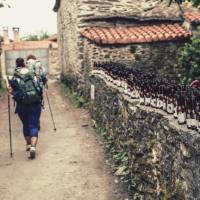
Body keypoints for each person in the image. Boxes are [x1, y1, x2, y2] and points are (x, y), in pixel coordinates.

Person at [9, 57, 46, 159]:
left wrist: (11, 93)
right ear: (24, 64)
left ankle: (29, 145)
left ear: (16, 65)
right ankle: (34, 147)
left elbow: (12, 92)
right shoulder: (32, 74)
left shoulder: (15, 77)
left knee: (26, 124)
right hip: (35, 103)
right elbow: (40, 86)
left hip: (22, 105)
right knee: (33, 124)